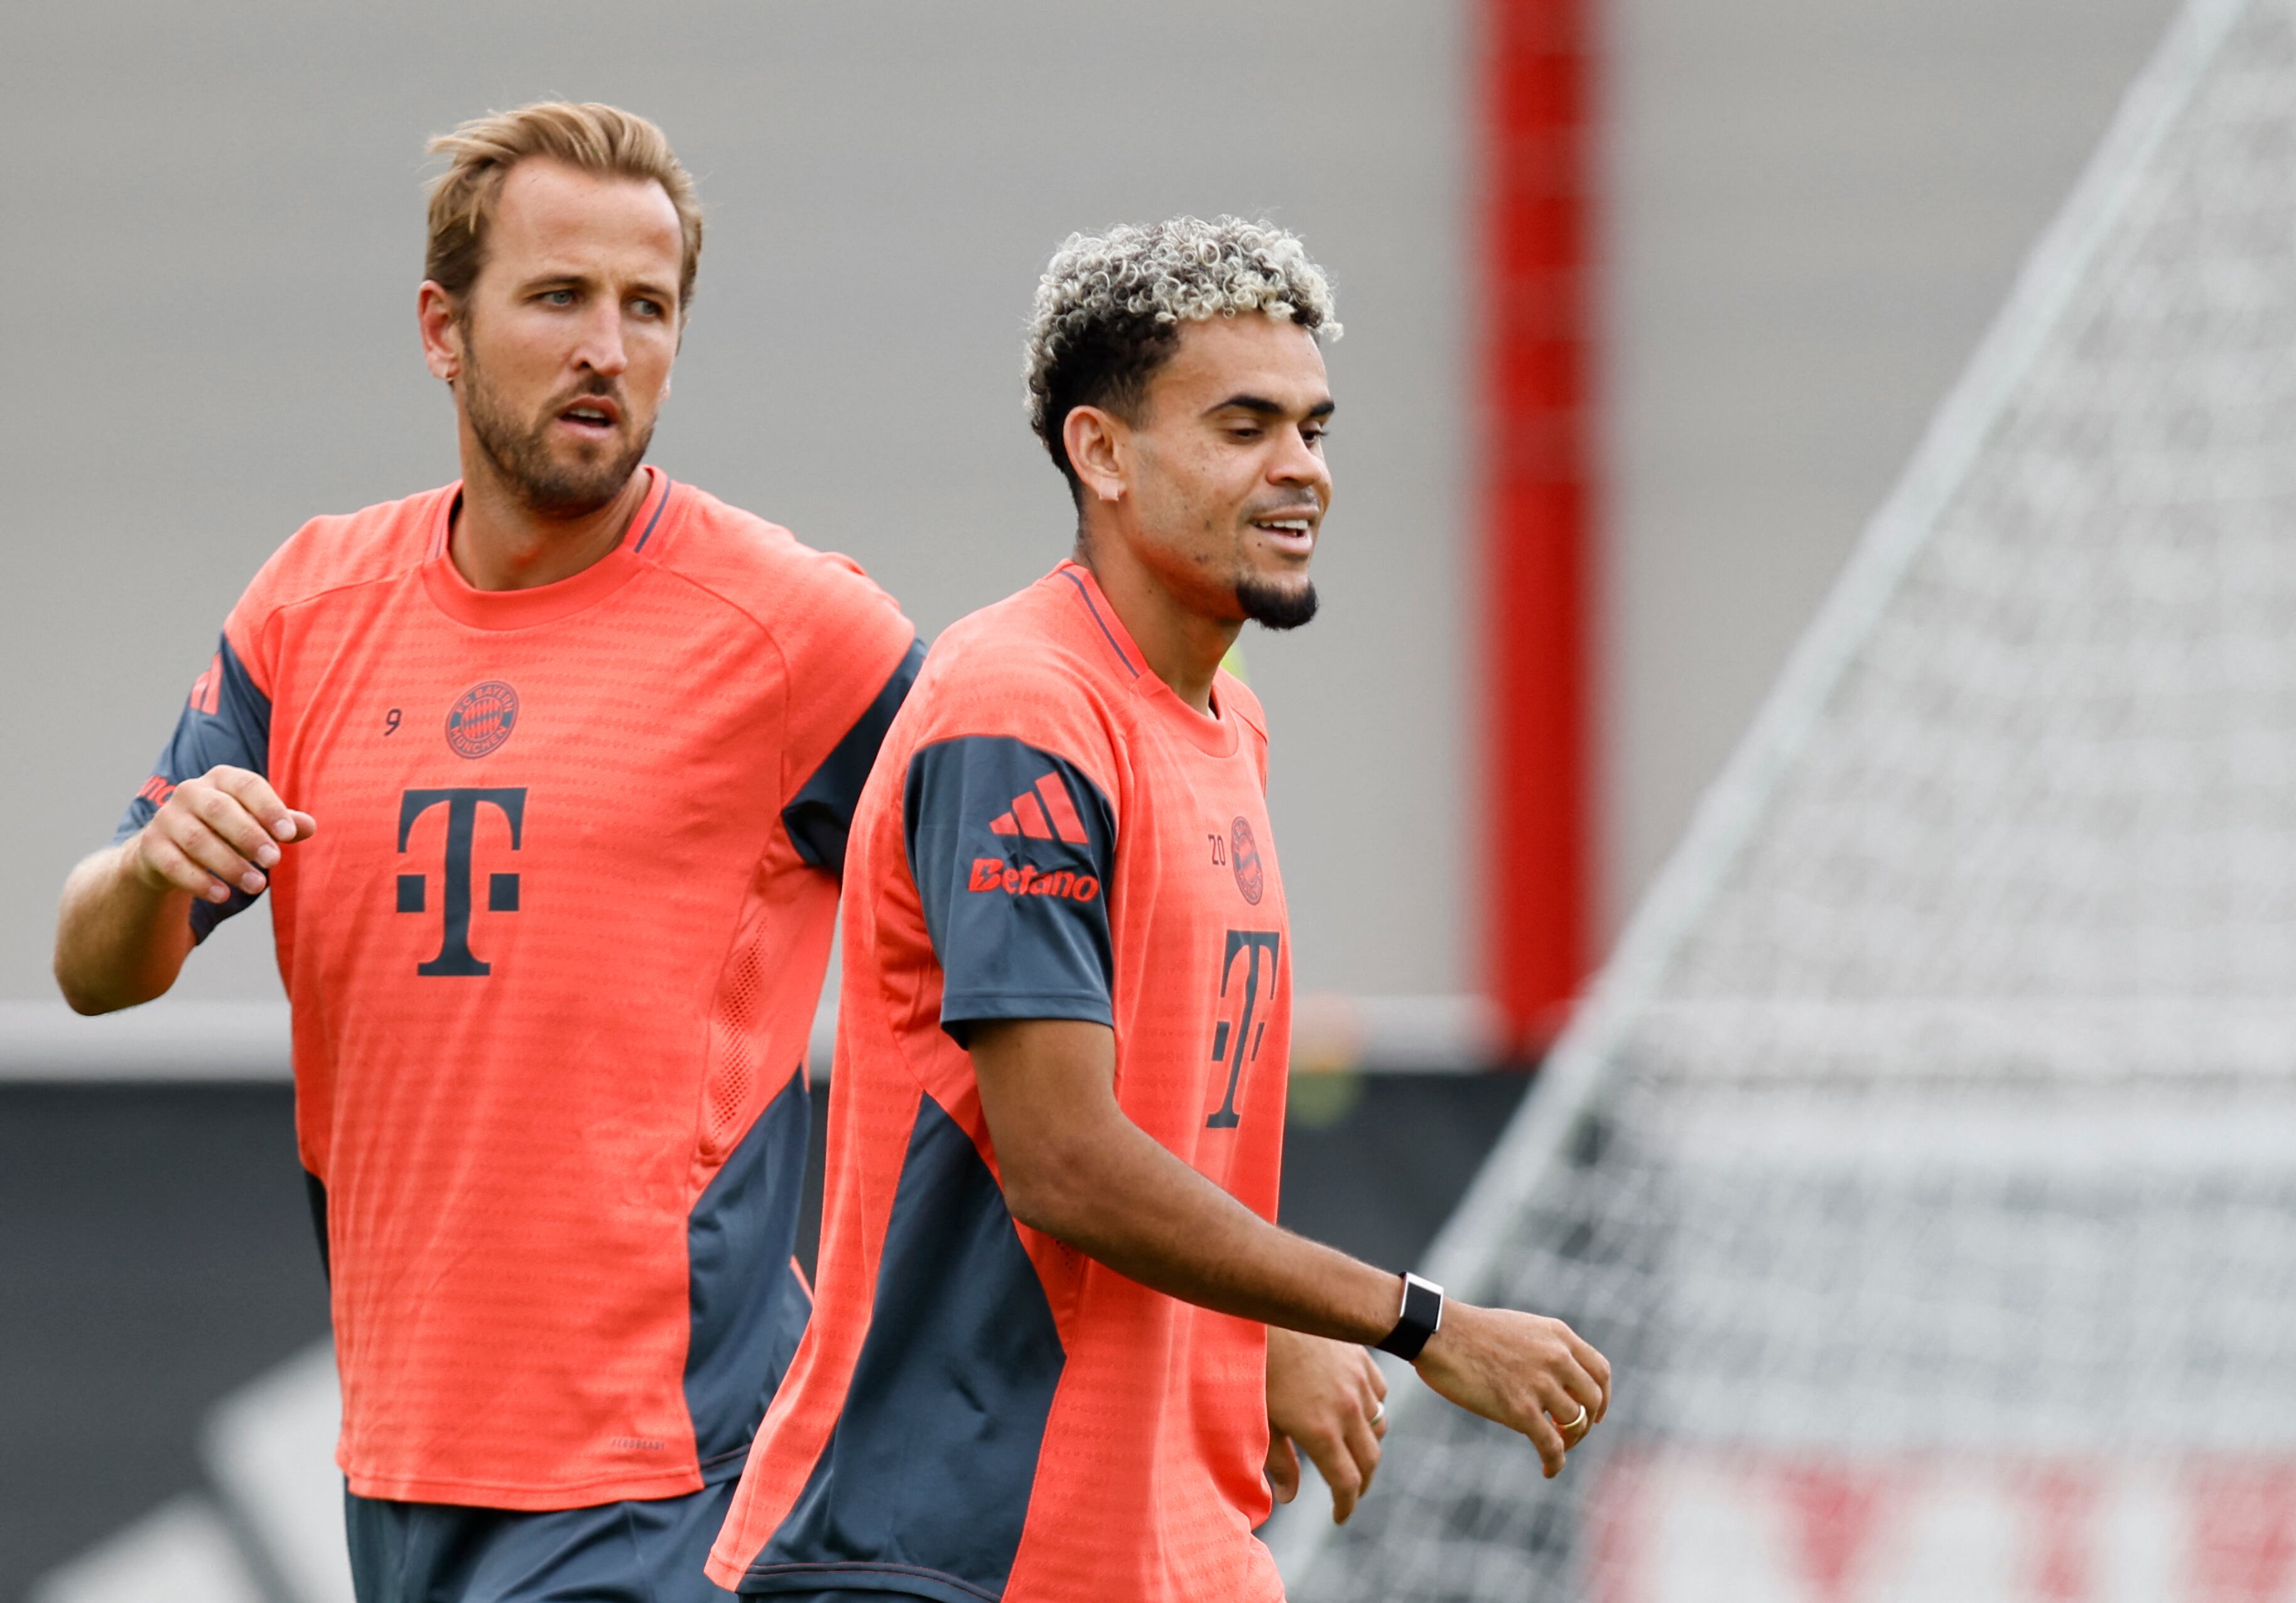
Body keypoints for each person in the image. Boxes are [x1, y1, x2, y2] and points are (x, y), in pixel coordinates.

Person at [51, 102, 921, 1603]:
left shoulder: (799, 632)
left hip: (666, 1479)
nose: (609, 346)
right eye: (559, 297)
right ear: (440, 331)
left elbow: (1027, 929)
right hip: (394, 1462)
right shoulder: (309, 603)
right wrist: (147, 871)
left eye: (648, 308)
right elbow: (93, 972)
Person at [705, 217, 1610, 1603]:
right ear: (1102, 453)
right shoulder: (1018, 707)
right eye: (1242, 425)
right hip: (950, 1546)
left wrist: (1260, 1335)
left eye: (1311, 425)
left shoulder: (1222, 722)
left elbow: (1172, 1130)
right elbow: (1063, 1161)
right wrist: (1415, 1323)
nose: (1299, 466)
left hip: (1168, 1544)